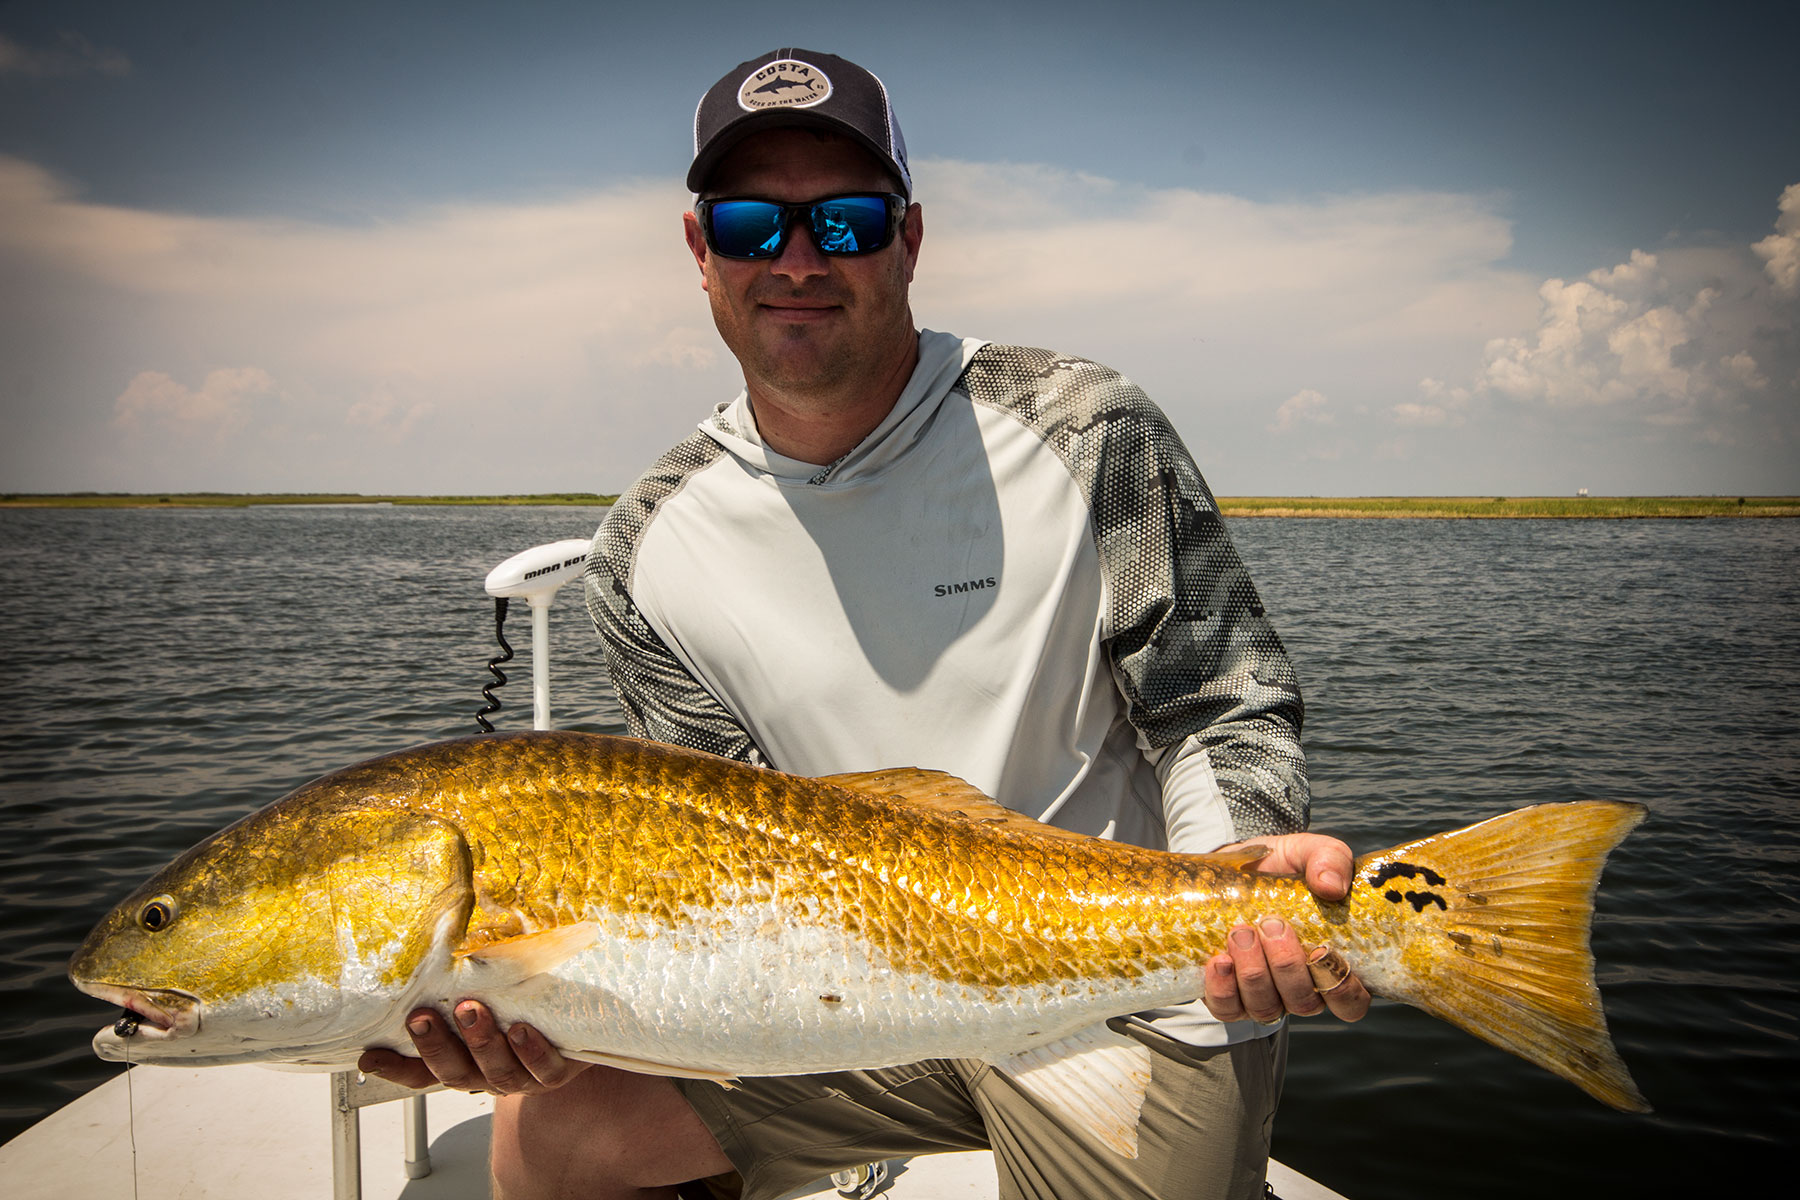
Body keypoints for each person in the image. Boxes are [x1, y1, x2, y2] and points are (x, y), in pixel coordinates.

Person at [360, 48, 1370, 1200]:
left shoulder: (1082, 427)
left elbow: (1215, 704)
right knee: (556, 1143)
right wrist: (529, 1016)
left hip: (1129, 985)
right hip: (826, 999)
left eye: (843, 222)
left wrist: (1238, 882)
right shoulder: (647, 547)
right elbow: (711, 851)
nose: (796, 259)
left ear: (909, 238)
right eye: (750, 223)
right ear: (701, 252)